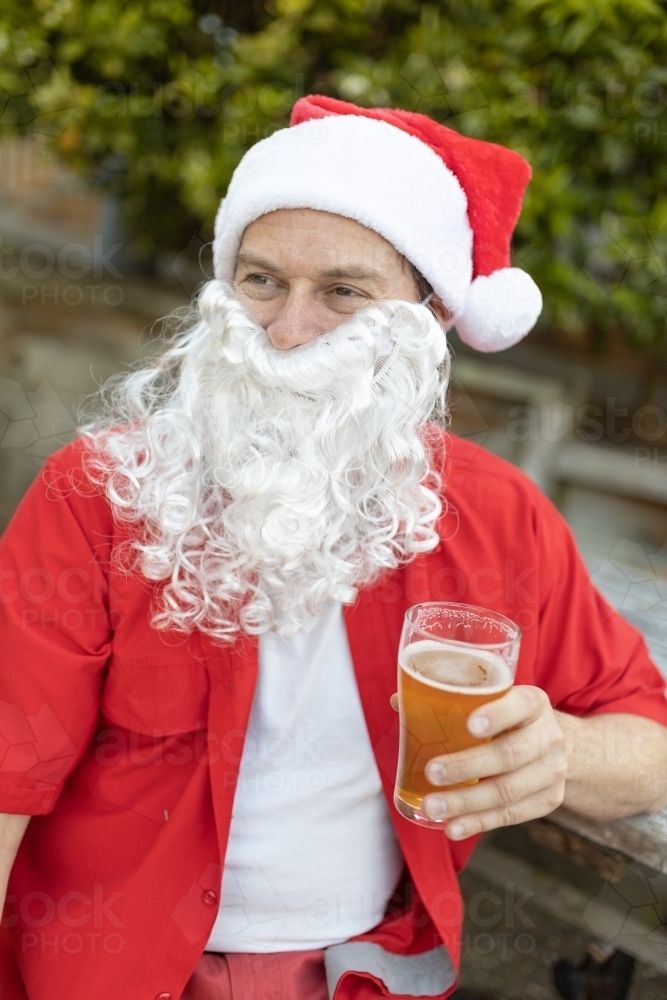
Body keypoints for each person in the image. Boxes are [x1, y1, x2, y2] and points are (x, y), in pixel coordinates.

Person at [1, 94, 666, 1000]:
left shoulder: (498, 513)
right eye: (261, 279)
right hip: (102, 969)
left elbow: (646, 738)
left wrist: (565, 756)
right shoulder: (100, 493)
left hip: (366, 974)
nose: (285, 330)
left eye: (344, 292)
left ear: (428, 322)